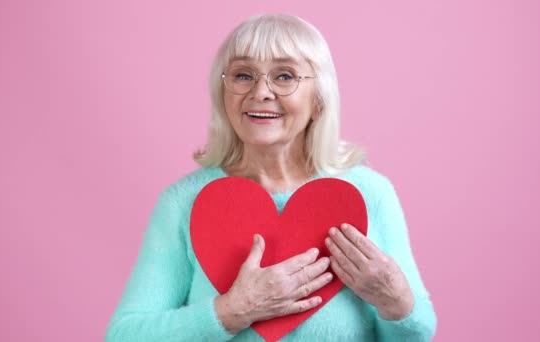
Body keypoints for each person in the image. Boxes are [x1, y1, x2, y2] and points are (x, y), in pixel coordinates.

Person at [106, 14, 437, 341]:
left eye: (284, 76)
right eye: (243, 75)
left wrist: (395, 301)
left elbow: (418, 332)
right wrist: (233, 311)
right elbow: (123, 336)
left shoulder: (371, 193)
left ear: (319, 98)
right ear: (223, 93)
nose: (260, 92)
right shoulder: (182, 202)